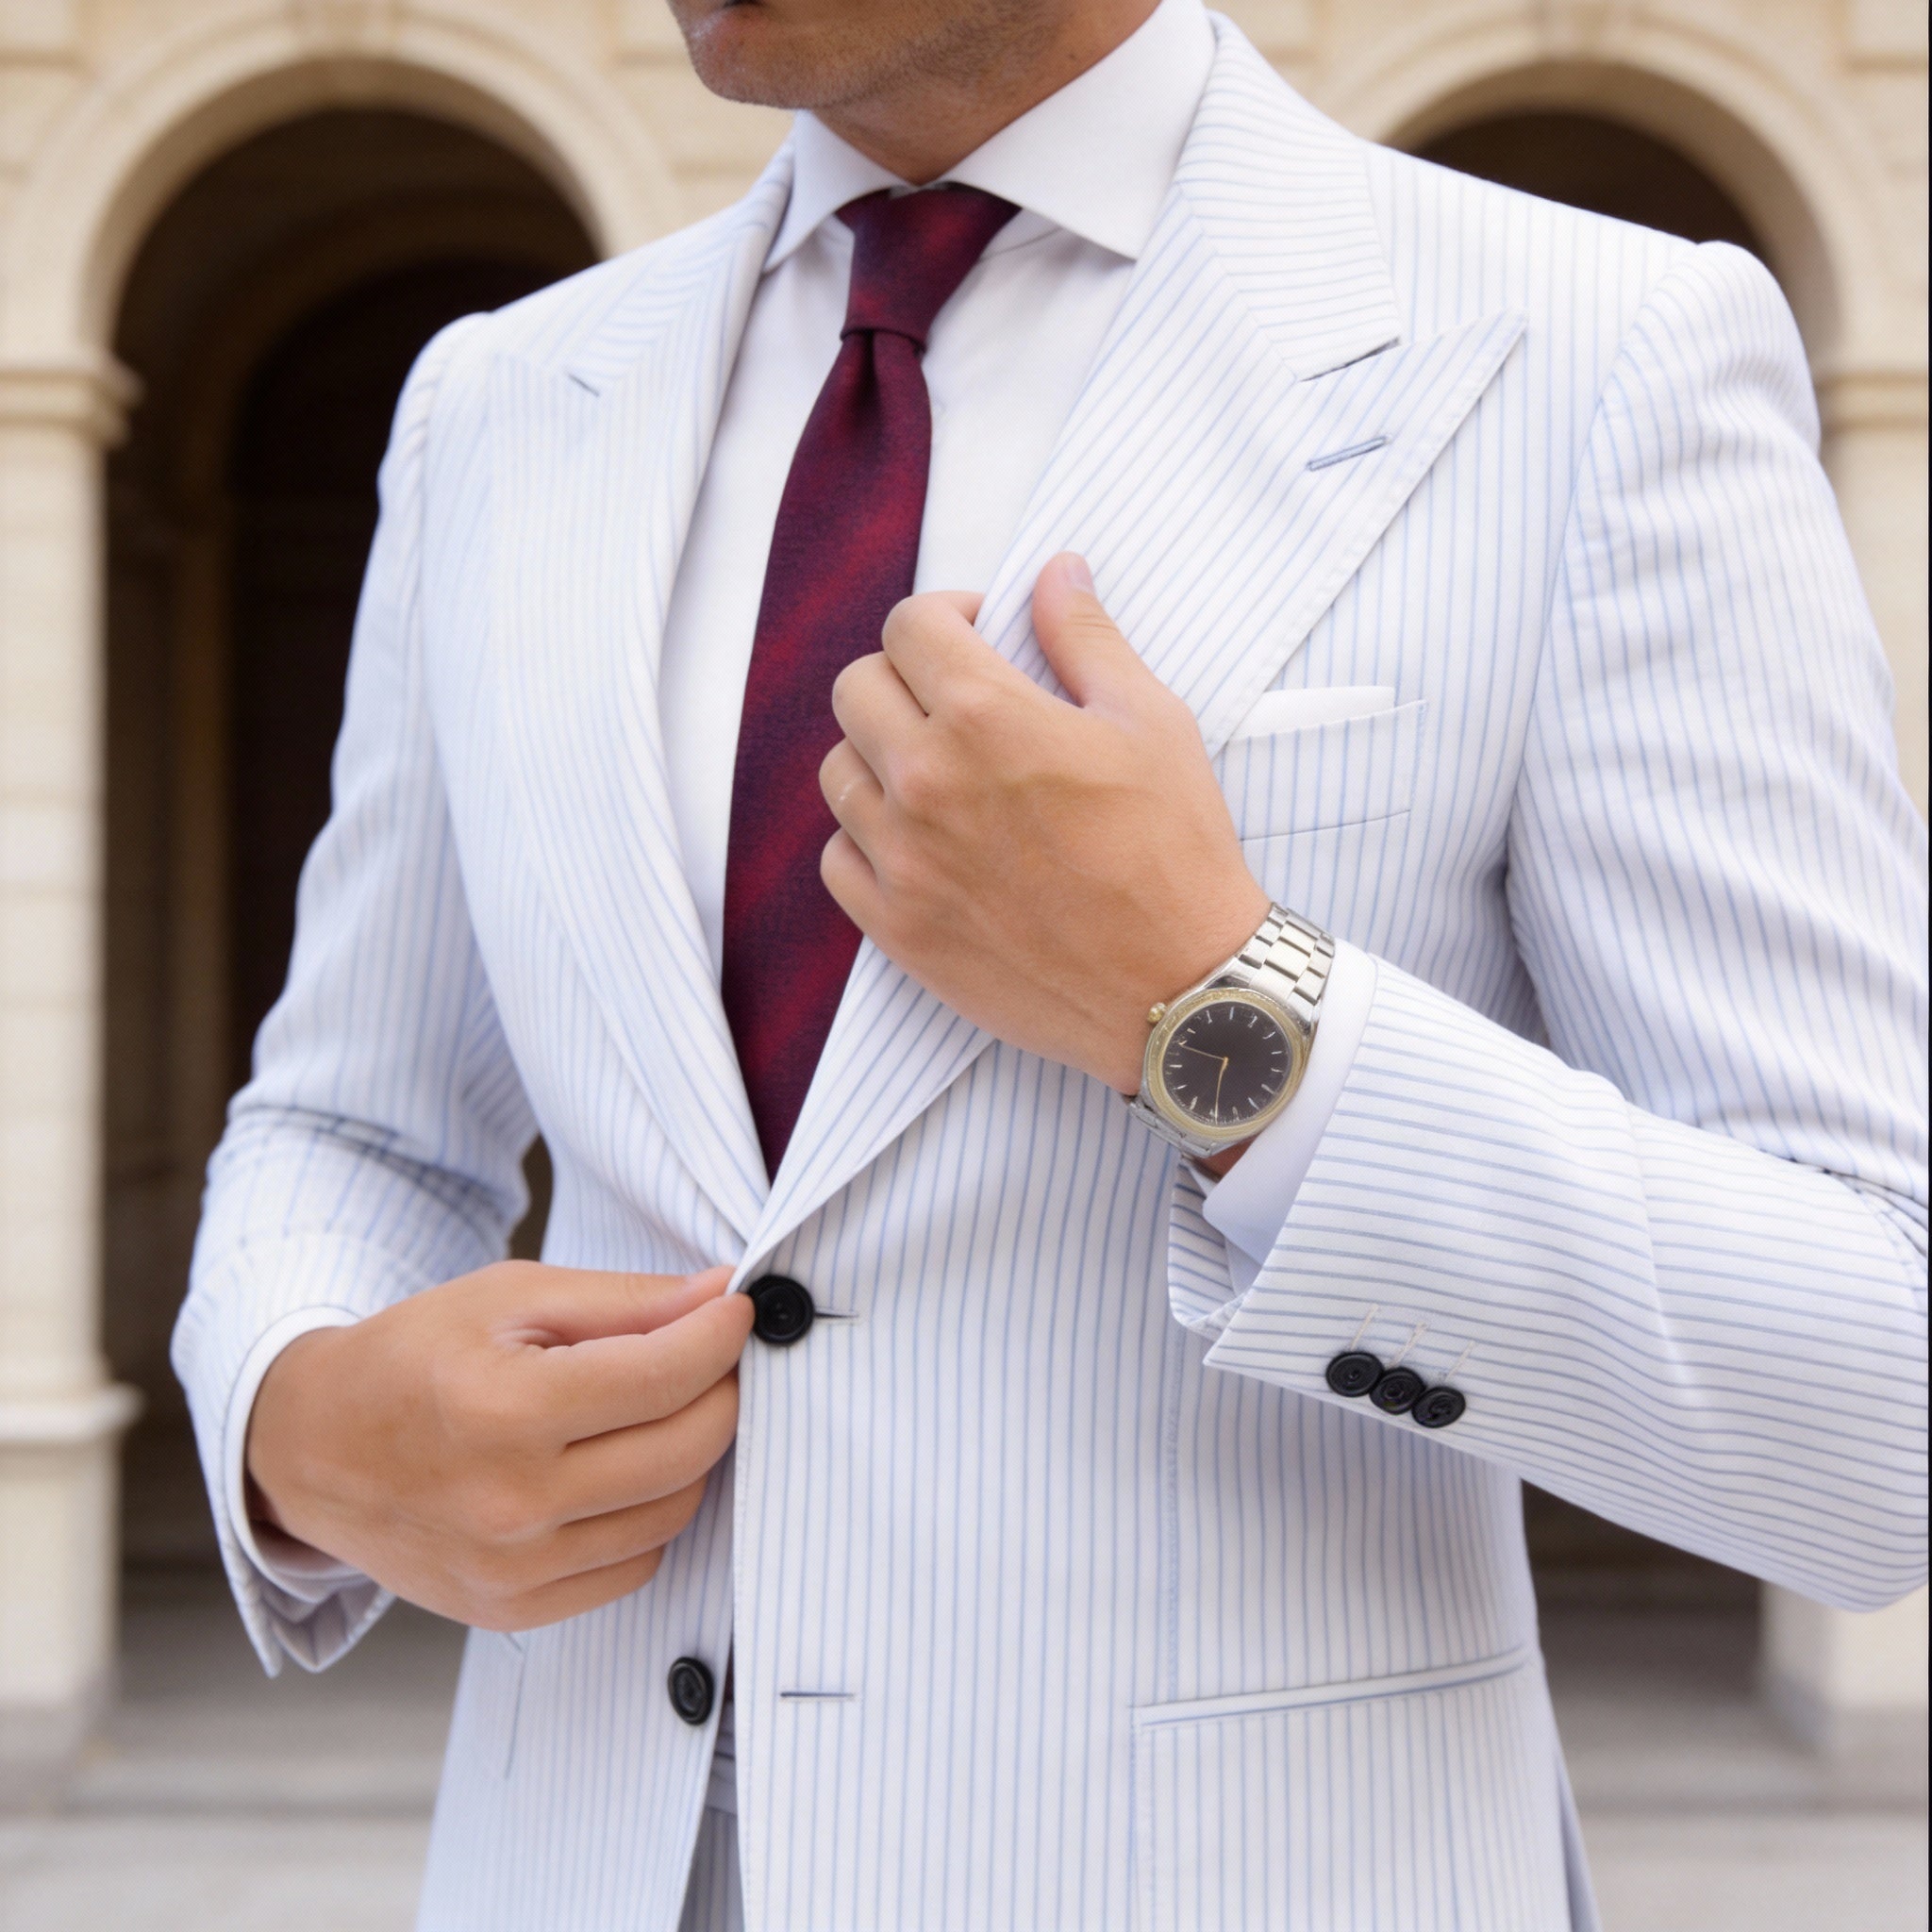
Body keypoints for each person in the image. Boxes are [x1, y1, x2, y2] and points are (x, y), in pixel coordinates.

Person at [174, 0, 1929, 1926]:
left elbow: (1872, 1398)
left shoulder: (1596, 355)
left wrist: (1210, 1002)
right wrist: (295, 1418)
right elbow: (345, 1121)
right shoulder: (502, 402)